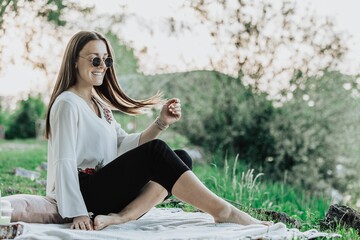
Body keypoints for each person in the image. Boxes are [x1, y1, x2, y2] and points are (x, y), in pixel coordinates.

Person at [45, 30, 271, 231]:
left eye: (107, 60)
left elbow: (123, 145)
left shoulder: (100, 105)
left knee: (180, 158)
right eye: (95, 60)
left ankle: (121, 217)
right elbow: (63, 160)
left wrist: (161, 123)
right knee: (158, 152)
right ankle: (224, 212)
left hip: (104, 190)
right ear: (75, 61)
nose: (102, 66)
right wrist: (78, 212)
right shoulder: (67, 103)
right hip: (85, 194)